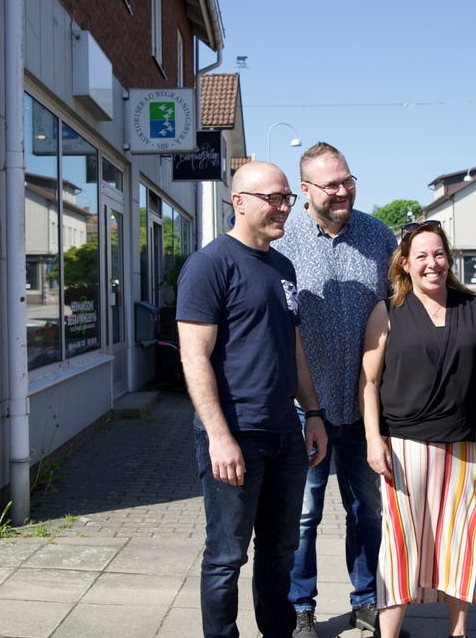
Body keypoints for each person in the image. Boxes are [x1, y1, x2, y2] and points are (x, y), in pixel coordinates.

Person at [177, 161, 329, 638]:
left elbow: (295, 347)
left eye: (287, 198)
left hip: (286, 432)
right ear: (238, 202)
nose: (284, 207)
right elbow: (194, 357)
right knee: (226, 556)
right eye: (273, 198)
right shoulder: (209, 264)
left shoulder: (283, 266)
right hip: (236, 434)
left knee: (281, 551)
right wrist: (220, 438)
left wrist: (315, 413)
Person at [360, 220, 476, 638]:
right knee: (401, 545)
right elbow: (369, 382)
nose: (433, 264)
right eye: (422, 256)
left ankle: (458, 632)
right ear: (405, 264)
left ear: (449, 259)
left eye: (439, 254)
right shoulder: (387, 311)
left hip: (463, 448)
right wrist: (374, 439)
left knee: (458, 542)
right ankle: (387, 634)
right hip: (404, 450)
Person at [272, 142, 398, 638]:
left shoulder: (378, 235)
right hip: (306, 408)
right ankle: (300, 605)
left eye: (348, 180)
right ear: (306, 190)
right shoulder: (282, 241)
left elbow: (402, 307)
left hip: (365, 407)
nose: (344, 190)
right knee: (302, 517)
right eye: (332, 184)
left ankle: (366, 599)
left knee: (366, 510)